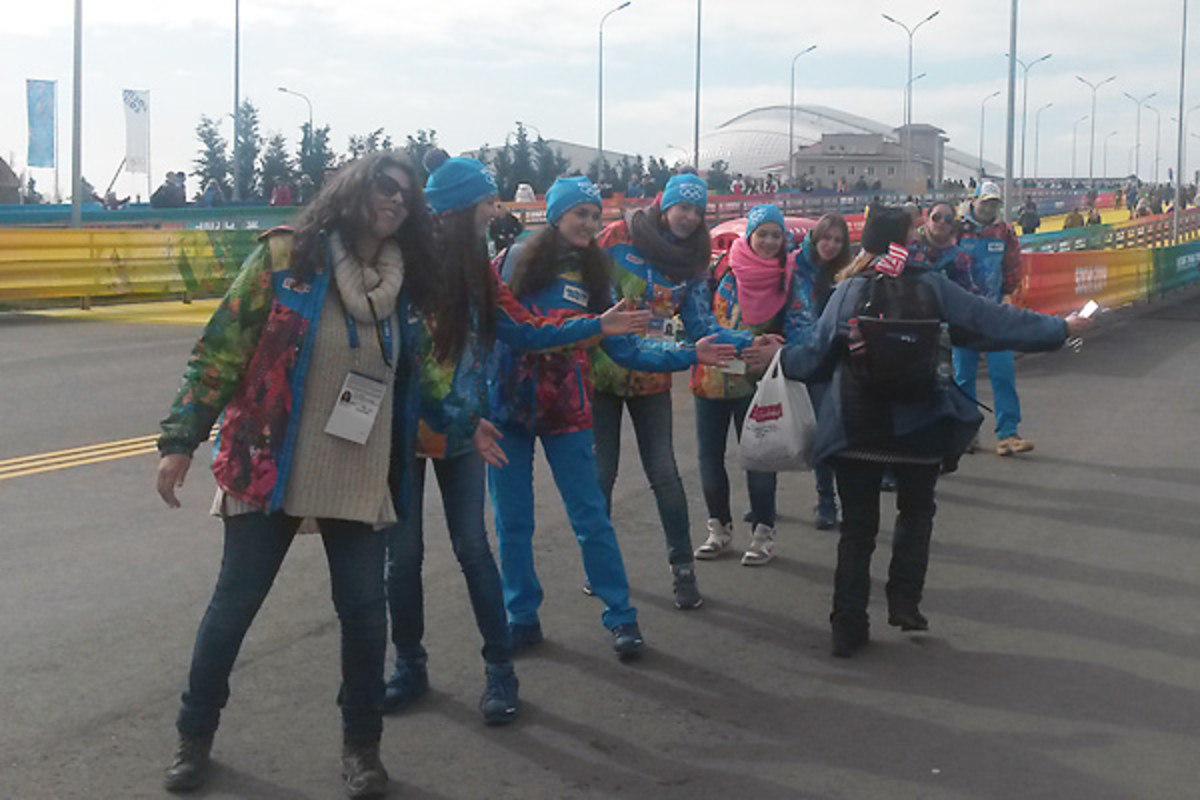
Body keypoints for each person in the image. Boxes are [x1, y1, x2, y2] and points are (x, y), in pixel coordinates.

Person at [154, 151, 435, 798]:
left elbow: (426, 374)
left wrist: (466, 419)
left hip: (360, 475)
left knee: (366, 617)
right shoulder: (287, 259)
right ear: (354, 189)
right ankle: (192, 737)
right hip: (268, 463)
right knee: (233, 609)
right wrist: (181, 438)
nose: (397, 201)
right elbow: (221, 348)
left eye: (407, 196)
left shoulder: (405, 280)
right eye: (386, 188)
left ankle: (361, 751)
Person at [383, 157, 649, 723]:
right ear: (459, 208)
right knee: (404, 560)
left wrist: (596, 326)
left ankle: (502, 667)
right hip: (424, 426)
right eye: (486, 201)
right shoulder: (417, 264)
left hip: (472, 427)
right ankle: (411, 664)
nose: (496, 209)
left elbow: (525, 332)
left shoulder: (483, 270)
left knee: (478, 548)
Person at [767, 205, 1089, 657]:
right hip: (919, 426)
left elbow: (814, 356)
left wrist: (775, 357)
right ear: (907, 239)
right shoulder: (931, 284)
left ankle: (847, 626)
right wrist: (1060, 328)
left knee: (857, 530)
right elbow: (989, 321)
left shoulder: (849, 289)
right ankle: (905, 602)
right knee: (916, 514)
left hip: (857, 428)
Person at [488, 177, 736, 656]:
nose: (589, 223)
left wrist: (691, 353)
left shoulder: (593, 274)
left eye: (595, 215)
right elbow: (520, 332)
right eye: (580, 212)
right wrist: (595, 327)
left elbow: (625, 347)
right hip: (509, 407)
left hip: (567, 408)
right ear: (557, 213)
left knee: (591, 517)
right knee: (512, 522)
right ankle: (520, 616)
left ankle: (621, 616)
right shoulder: (513, 261)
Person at [593, 173, 750, 607]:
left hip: (653, 377)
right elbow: (591, 301)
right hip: (601, 374)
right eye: (684, 207)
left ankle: (682, 570)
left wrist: (749, 341)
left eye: (698, 211)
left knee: (664, 473)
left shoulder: (693, 260)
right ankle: (599, 567)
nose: (690, 217)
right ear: (665, 206)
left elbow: (702, 326)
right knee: (600, 476)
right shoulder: (615, 239)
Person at [690, 205, 813, 566]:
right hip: (710, 378)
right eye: (763, 233)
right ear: (749, 235)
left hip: (758, 383)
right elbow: (697, 313)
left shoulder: (787, 276)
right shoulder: (721, 268)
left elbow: (802, 326)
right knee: (709, 458)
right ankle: (719, 529)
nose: (770, 241)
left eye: (776, 235)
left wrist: (783, 347)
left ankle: (763, 532)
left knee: (761, 457)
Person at [952, 181, 1032, 456]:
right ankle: (966, 433)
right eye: (985, 202)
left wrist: (1010, 294)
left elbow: (1012, 265)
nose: (989, 207)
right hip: (962, 314)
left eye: (994, 203)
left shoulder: (1004, 231)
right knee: (963, 376)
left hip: (995, 314)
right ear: (973, 202)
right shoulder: (957, 229)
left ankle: (1008, 433)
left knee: (1003, 373)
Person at [791, 213, 852, 529]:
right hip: (791, 355)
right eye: (825, 238)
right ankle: (763, 504)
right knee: (776, 426)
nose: (830, 245)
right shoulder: (794, 265)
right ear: (814, 238)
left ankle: (827, 500)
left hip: (825, 362)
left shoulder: (844, 275)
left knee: (825, 434)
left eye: (838, 240)